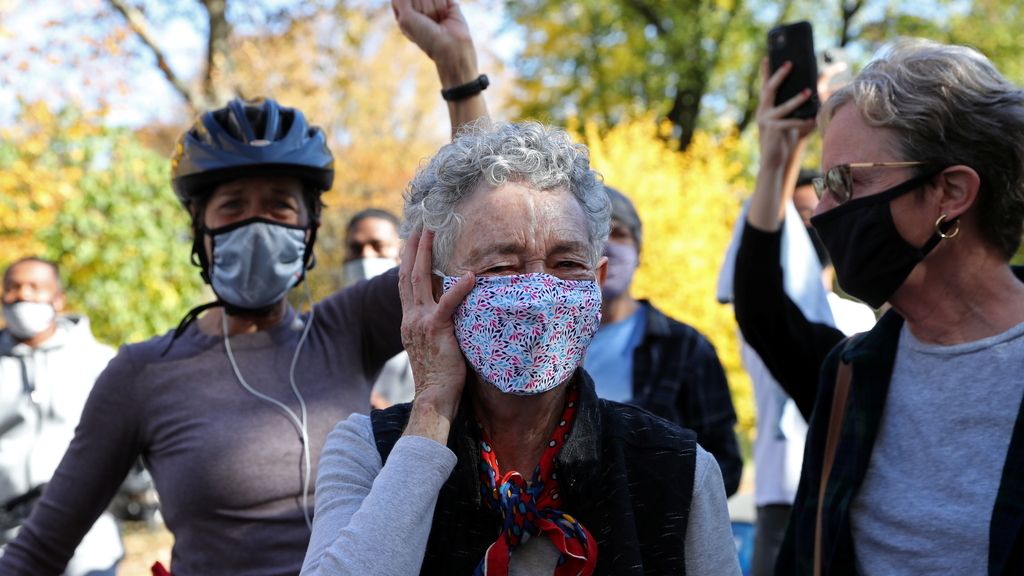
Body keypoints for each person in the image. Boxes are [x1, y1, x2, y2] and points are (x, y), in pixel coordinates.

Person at [0, 1, 488, 574]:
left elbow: (469, 229)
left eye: (280, 207)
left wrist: (458, 72)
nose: (256, 226)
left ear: (309, 233)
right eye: (233, 207)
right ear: (199, 233)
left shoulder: (346, 327)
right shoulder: (142, 373)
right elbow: (38, 550)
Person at [301, 121, 741, 576]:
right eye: (502, 267)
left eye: (567, 264)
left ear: (598, 285)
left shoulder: (676, 471)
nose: (537, 294)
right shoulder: (369, 452)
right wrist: (432, 407)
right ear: (432, 290)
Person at [747, 41, 1024, 574]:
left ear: (950, 191)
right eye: (824, 185)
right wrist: (776, 158)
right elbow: (762, 310)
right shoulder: (854, 373)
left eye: (848, 182)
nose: (823, 210)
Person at [721, 165, 873, 576]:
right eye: (799, 213)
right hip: (782, 485)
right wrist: (775, 160)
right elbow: (760, 307)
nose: (818, 217)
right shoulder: (773, 324)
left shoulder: (858, 321)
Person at [586, 186, 742, 497]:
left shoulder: (684, 349)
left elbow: (726, 467)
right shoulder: (544, 347)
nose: (607, 246)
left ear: (639, 250)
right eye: (593, 236)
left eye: (618, 233)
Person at [0, 258, 123, 576]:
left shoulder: (101, 361)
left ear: (58, 298)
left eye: (34, 287)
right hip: (8, 533)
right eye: (13, 287)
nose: (22, 296)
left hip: (87, 534)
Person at [342, 208, 415, 408]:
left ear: (403, 252)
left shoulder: (428, 323)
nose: (366, 256)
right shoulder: (331, 329)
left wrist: (385, 413)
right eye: (356, 248)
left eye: (378, 246)